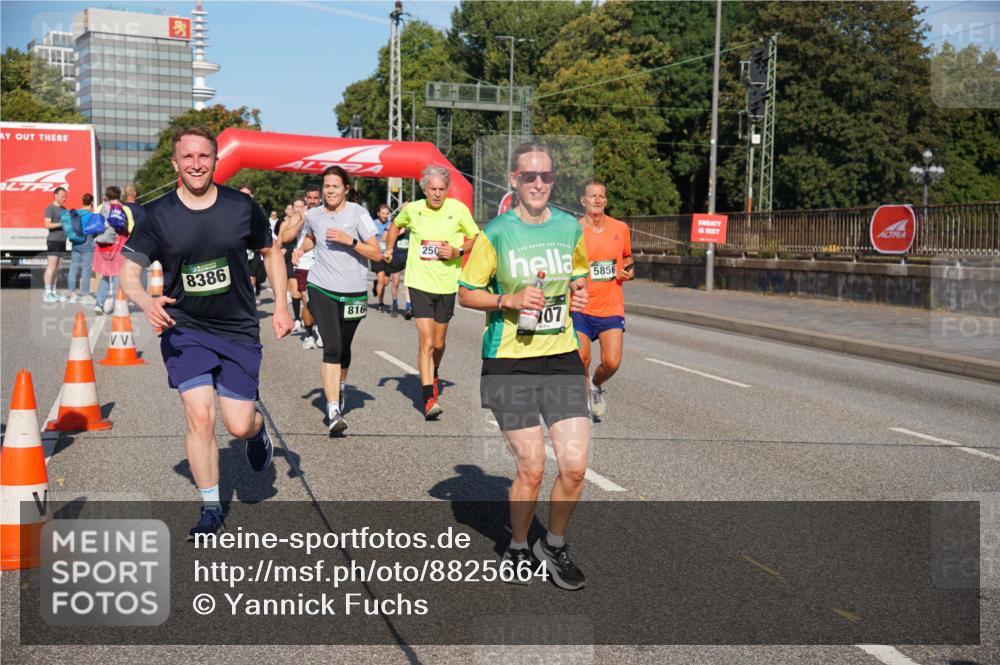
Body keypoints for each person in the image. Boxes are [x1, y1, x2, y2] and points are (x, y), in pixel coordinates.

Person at [120, 126, 292, 539]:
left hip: (237, 328)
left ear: (215, 161)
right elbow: (128, 272)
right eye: (188, 157)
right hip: (186, 328)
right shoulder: (157, 215)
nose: (196, 164)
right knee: (200, 416)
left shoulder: (241, 207)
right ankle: (211, 508)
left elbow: (271, 253)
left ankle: (257, 433)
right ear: (175, 164)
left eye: (204, 157)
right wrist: (145, 301)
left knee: (237, 424)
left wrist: (283, 306)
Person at [458, 142, 590, 590]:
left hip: (561, 356)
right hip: (509, 360)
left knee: (574, 466)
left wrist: (579, 294)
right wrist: (507, 299)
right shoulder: (495, 232)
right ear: (514, 180)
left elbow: (577, 276)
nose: (538, 183)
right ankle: (517, 545)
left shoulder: (570, 228)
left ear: (553, 181)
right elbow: (466, 292)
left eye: (546, 176)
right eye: (529, 176)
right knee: (532, 467)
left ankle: (552, 544)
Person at [383, 166, 479, 419]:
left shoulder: (458, 210)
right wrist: (390, 247)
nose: (437, 194)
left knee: (438, 343)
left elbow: (477, 237)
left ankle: (433, 371)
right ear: (424, 189)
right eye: (432, 189)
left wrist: (458, 250)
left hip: (446, 284)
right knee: (426, 341)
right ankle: (428, 398)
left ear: (447, 189)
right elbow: (395, 225)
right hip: (419, 283)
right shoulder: (412, 209)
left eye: (441, 189)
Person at [292, 166, 381, 435]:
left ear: (346, 189)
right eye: (326, 186)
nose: (329, 191)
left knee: (344, 347)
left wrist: (349, 240)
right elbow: (311, 237)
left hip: (353, 291)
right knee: (331, 346)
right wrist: (300, 249)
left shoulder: (359, 213)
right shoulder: (314, 214)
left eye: (335, 186)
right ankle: (333, 410)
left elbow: (376, 254)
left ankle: (340, 387)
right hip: (322, 288)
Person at [573, 180, 633, 419]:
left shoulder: (621, 228)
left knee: (612, 361)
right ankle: (581, 403)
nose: (597, 200)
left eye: (601, 196)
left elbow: (628, 260)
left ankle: (595, 386)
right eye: (592, 196)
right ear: (583, 201)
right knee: (582, 358)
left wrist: (628, 272)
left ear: (605, 201)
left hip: (611, 307)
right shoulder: (574, 230)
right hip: (581, 305)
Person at [280, 187, 322, 349]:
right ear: (305, 198)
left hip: (324, 262)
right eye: (309, 197)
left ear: (320, 199)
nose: (312, 201)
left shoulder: (326, 213)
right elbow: (286, 237)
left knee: (323, 301)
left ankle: (320, 328)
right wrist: (302, 220)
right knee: (309, 301)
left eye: (315, 198)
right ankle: (309, 333)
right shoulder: (299, 215)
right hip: (304, 262)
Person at [93, 185, 139, 314]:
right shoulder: (125, 209)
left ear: (107, 196)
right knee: (118, 276)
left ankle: (99, 304)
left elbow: (95, 226)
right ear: (120, 195)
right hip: (118, 245)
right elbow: (131, 229)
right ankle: (117, 305)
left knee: (105, 276)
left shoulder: (100, 207)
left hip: (103, 246)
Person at [67, 193, 97, 304]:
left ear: (82, 201)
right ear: (92, 203)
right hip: (87, 242)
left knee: (73, 267)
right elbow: (95, 230)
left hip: (75, 242)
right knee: (86, 269)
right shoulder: (91, 215)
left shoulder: (76, 213)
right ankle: (85, 295)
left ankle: (72, 294)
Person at [42, 187, 68, 302]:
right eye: (62, 196)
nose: (64, 198)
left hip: (63, 241)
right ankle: (47, 293)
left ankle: (53, 292)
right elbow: (47, 224)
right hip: (54, 240)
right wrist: (60, 224)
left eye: (65, 196)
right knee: (51, 267)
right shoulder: (50, 209)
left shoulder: (64, 209)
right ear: (55, 195)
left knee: (58, 267)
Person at [369, 204, 392, 312]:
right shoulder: (373, 224)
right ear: (378, 213)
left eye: (387, 213)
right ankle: (381, 302)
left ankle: (375, 284)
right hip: (376, 254)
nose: (385, 216)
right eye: (383, 213)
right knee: (381, 279)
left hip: (387, 255)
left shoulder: (391, 225)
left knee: (386, 282)